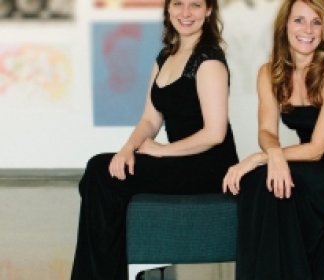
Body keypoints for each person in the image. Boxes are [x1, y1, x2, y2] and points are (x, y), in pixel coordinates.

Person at [70, 0, 238, 278]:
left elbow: (215, 133)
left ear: (209, 11)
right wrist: (127, 149)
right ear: (168, 9)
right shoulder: (165, 57)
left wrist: (162, 151)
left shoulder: (209, 61)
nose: (185, 13)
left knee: (99, 174)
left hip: (210, 167)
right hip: (179, 160)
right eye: (178, 4)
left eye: (195, 5)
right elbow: (150, 119)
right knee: (100, 173)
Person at [222, 0, 324, 278]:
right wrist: (274, 154)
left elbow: (317, 149)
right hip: (311, 167)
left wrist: (263, 157)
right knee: (257, 183)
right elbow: (267, 132)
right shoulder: (269, 73)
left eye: (316, 22)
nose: (307, 29)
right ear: (285, 25)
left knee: (280, 186)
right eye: (299, 20)